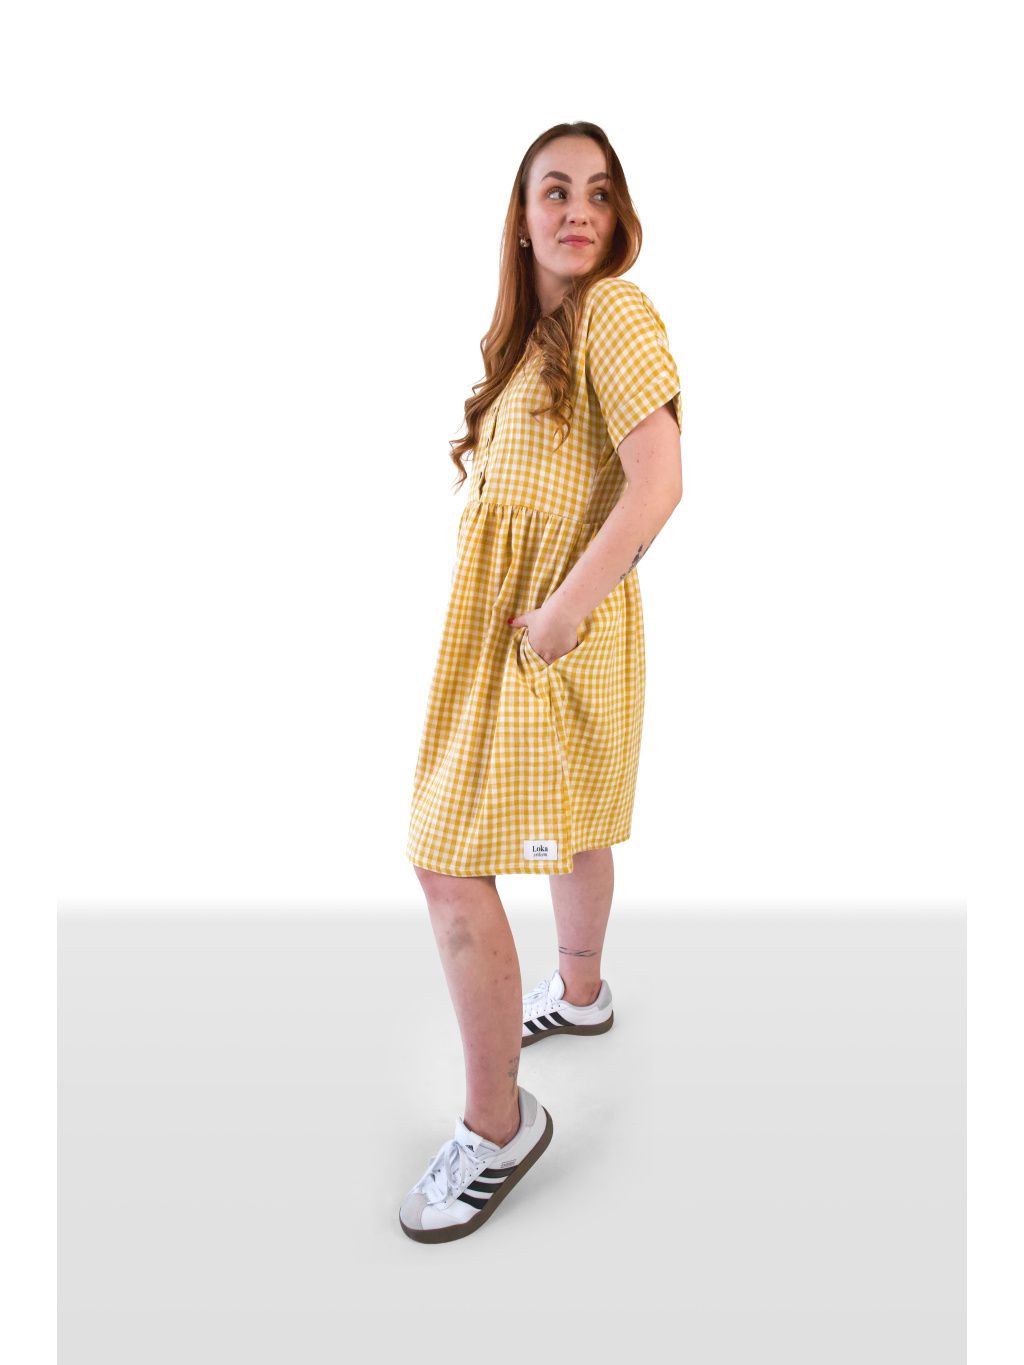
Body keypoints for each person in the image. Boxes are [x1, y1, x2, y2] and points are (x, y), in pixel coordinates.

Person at [399, 121, 684, 1243]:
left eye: (599, 193)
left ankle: (498, 1125)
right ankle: (579, 993)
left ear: (618, 218)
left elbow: (659, 482)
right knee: (576, 825)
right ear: (520, 220)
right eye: (555, 190)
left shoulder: (615, 310)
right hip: (528, 630)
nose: (578, 210)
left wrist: (562, 609)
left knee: (446, 864)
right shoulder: (533, 344)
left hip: (551, 631)